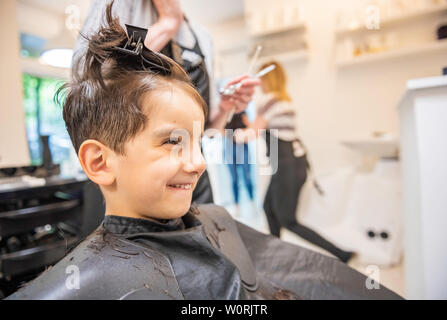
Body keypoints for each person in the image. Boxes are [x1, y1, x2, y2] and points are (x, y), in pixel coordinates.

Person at [6, 5, 401, 300]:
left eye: (194, 146)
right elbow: (92, 84)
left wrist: (224, 108)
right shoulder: (118, 9)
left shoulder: (203, 36)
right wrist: (164, 29)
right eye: (172, 141)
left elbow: (201, 127)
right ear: (98, 161)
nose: (198, 161)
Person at [72, 0, 261, 204]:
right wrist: (167, 24)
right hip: (139, 180)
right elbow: (90, 74)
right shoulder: (123, 4)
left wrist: (225, 106)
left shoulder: (203, 37)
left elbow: (208, 131)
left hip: (194, 182)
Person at [243, 61, 354, 263]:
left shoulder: (267, 101)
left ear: (267, 79)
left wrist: (225, 133)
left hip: (286, 167)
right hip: (296, 165)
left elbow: (251, 134)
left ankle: (341, 254)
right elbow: (266, 128)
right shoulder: (284, 101)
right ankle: (275, 255)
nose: (258, 82)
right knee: (268, 207)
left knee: (288, 220)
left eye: (260, 77)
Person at [224, 111, 255, 217]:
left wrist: (241, 133)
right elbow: (219, 129)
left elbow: (251, 127)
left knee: (247, 177)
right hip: (229, 146)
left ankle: (252, 202)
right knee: (234, 179)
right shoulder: (225, 111)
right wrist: (231, 136)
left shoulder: (242, 112)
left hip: (243, 146)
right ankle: (236, 206)